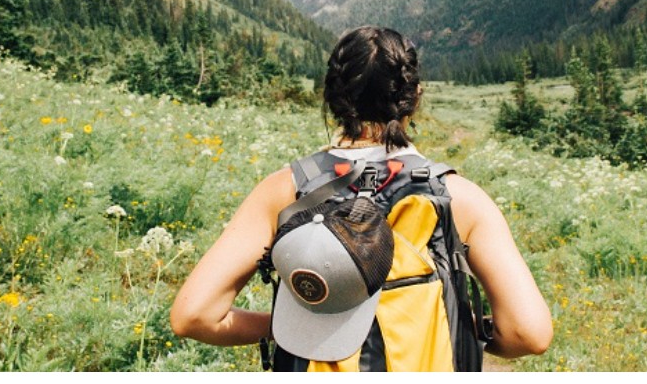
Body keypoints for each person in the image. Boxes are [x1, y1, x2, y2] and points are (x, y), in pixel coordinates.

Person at [170, 26, 553, 369]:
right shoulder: (459, 198)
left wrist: (285, 327)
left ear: (333, 99)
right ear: (414, 98)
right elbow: (529, 333)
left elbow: (194, 315)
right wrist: (458, 325)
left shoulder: (284, 190)